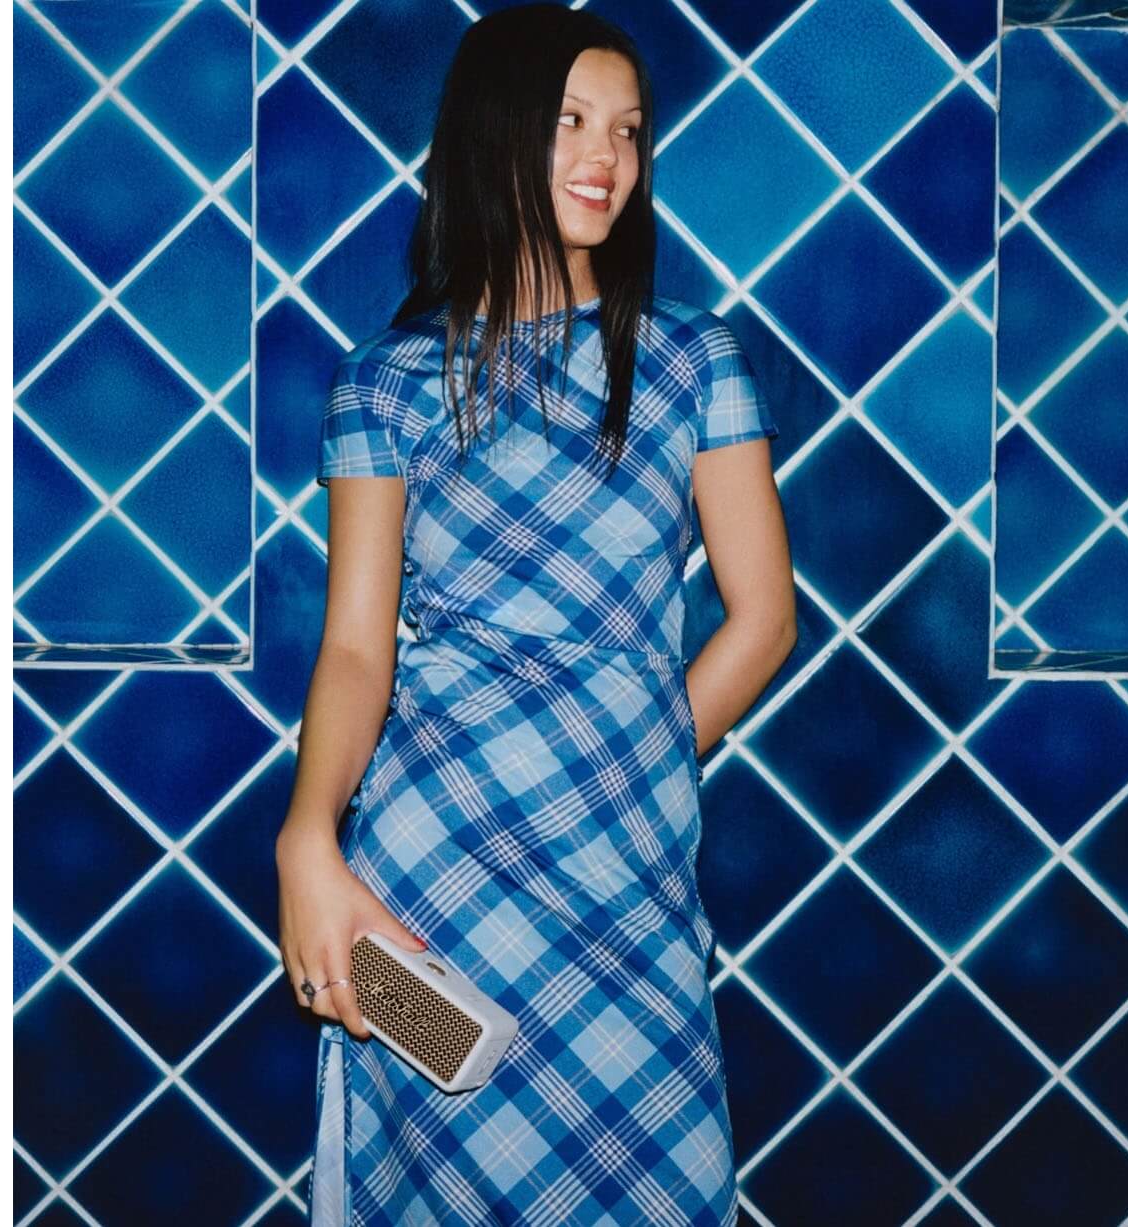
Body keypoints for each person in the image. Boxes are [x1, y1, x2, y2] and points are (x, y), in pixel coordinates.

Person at [275, 4, 795, 1224]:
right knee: (442, 1177)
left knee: (662, 1176)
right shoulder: (383, 384)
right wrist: (306, 838)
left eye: (628, 129)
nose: (607, 156)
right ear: (495, 132)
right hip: (436, 859)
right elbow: (354, 648)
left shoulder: (693, 361)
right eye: (570, 121)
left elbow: (764, 619)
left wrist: (627, 756)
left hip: (629, 862)